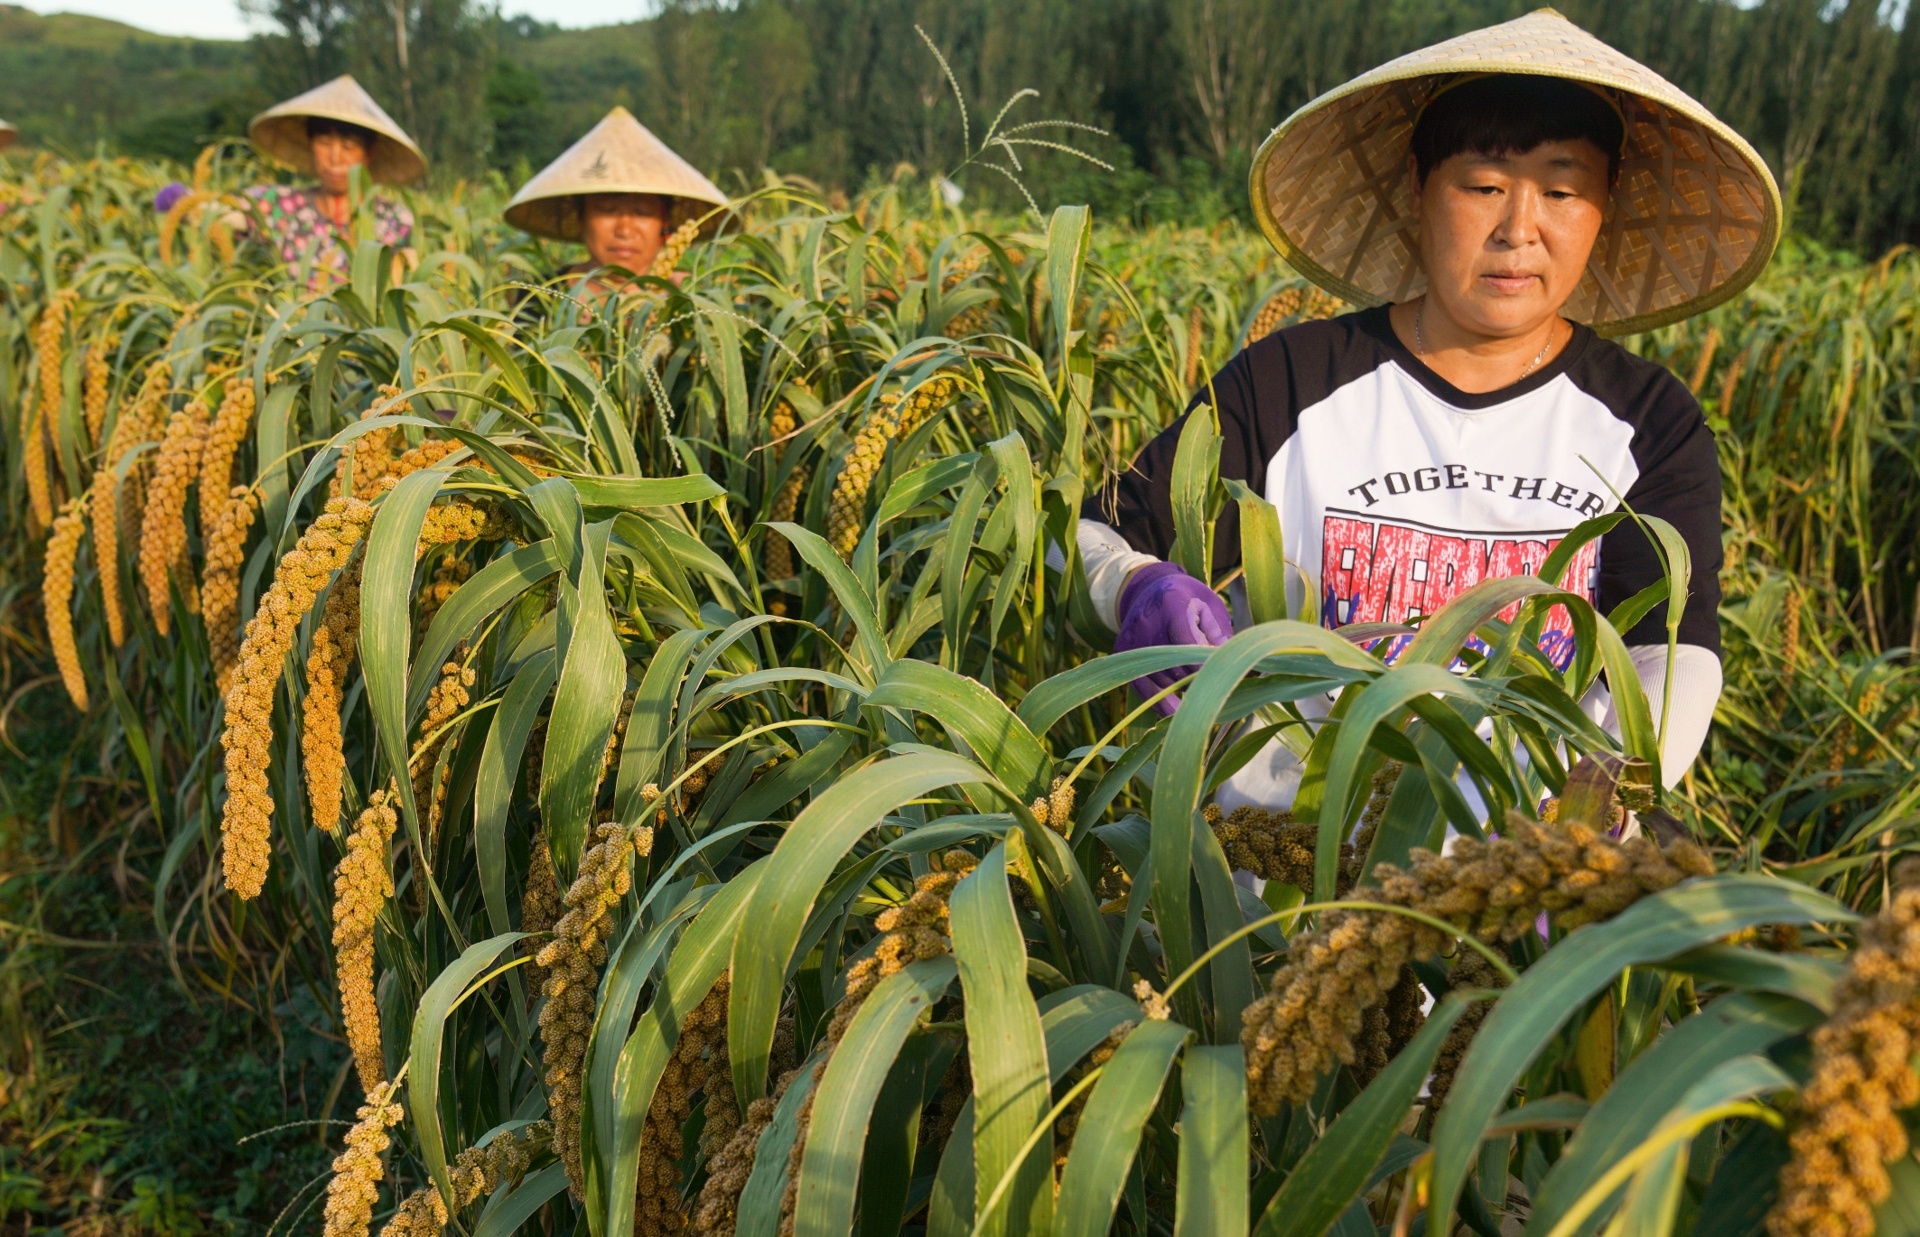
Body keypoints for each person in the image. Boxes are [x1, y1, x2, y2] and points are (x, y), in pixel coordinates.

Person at [1078, 10, 1780, 816]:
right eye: (1483, 187)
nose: (1519, 230)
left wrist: (1592, 815)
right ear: (1419, 188)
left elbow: (1671, 652)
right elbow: (1096, 531)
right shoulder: (1292, 380)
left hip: (1517, 882)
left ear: (1604, 205)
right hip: (1281, 876)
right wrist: (1135, 584)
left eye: (1561, 189)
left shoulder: (1646, 421)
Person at [503, 106, 728, 297]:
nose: (624, 230)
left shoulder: (692, 297)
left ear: (665, 222)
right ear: (580, 218)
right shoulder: (542, 295)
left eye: (641, 212)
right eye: (607, 210)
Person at [238, 76, 425, 287]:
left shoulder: (393, 221)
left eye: (349, 146)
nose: (335, 157)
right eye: (324, 143)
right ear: (310, 144)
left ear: (368, 153)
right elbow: (218, 212)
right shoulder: (279, 206)